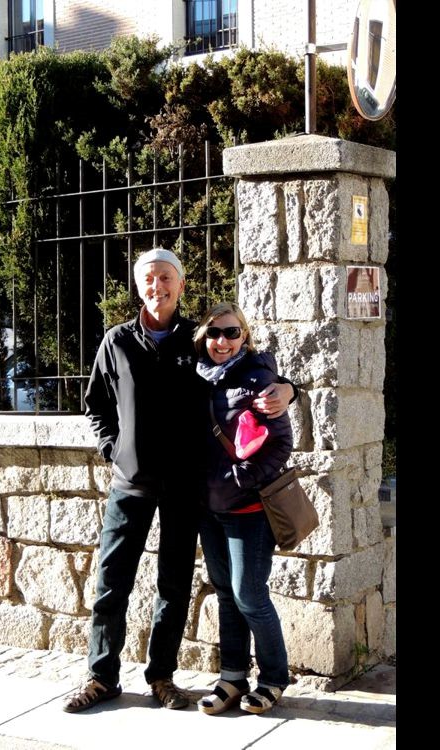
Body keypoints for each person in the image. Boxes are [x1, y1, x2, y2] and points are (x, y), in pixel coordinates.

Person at [61, 249, 296, 713]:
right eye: (149, 279)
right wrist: (115, 450)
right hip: (130, 484)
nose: (158, 287)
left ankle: (162, 676)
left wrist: (290, 388)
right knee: (112, 581)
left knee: (173, 585)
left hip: (184, 488)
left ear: (181, 285)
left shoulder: (197, 339)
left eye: (166, 278)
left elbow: (245, 369)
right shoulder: (116, 341)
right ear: (139, 287)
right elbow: (96, 405)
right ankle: (101, 676)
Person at [192, 301, 293, 716]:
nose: (223, 341)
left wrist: (238, 481)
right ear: (203, 338)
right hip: (208, 508)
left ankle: (274, 679)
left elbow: (281, 444)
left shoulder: (259, 379)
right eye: (214, 333)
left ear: (244, 337)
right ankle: (232, 677)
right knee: (226, 596)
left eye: (232, 333)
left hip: (248, 510)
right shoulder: (195, 377)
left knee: (249, 594)